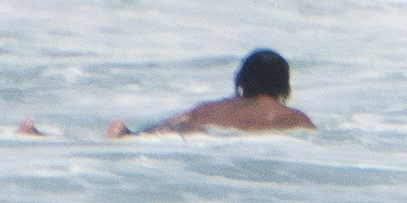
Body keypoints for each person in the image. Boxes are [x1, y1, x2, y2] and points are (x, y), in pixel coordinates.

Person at [23, 48, 312, 137]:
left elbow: (175, 120)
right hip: (220, 141)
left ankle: (37, 133)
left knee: (141, 135)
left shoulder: (211, 108)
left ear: (242, 80)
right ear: (284, 84)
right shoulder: (293, 118)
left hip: (195, 128)